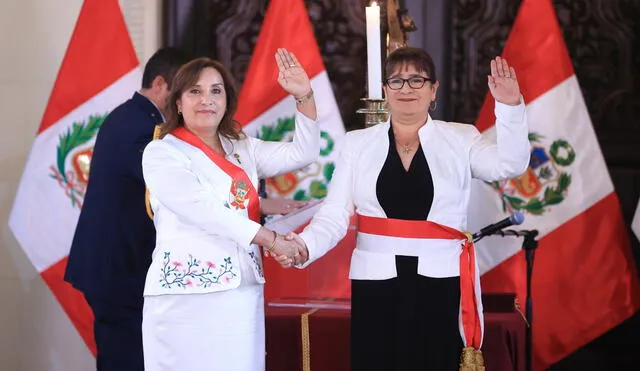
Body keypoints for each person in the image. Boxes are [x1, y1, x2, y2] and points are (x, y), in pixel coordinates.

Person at [279, 47, 530, 370]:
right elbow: (335, 214)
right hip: (376, 282)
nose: (406, 89)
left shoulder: (461, 138)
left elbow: (509, 164)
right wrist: (304, 245)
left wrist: (509, 107)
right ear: (384, 90)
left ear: (433, 88)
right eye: (396, 81)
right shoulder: (358, 143)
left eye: (416, 80)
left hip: (441, 280)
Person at [140, 49, 318, 371]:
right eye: (195, 91)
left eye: (215, 91)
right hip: (186, 294)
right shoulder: (162, 152)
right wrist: (271, 239)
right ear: (178, 102)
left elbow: (303, 153)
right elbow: (204, 210)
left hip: (242, 292)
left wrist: (303, 95)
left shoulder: (243, 147)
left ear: (226, 101)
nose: (206, 99)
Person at [64, 47, 190, 371]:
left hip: (118, 267)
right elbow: (167, 185)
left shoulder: (134, 117)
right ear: (161, 83)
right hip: (117, 270)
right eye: (186, 89)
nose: (188, 101)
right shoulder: (138, 124)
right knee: (126, 359)